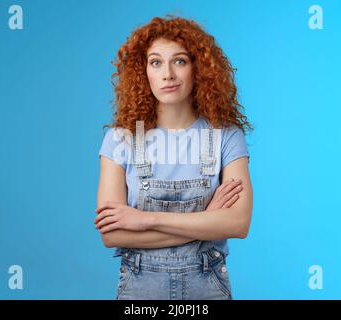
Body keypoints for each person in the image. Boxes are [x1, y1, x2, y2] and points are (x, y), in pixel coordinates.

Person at [95, 15, 254, 300]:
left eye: (179, 61)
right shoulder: (120, 139)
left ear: (199, 69)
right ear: (143, 72)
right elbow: (112, 235)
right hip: (139, 292)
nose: (167, 73)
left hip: (208, 289)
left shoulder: (226, 136)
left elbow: (238, 224)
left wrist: (144, 220)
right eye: (156, 62)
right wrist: (207, 221)